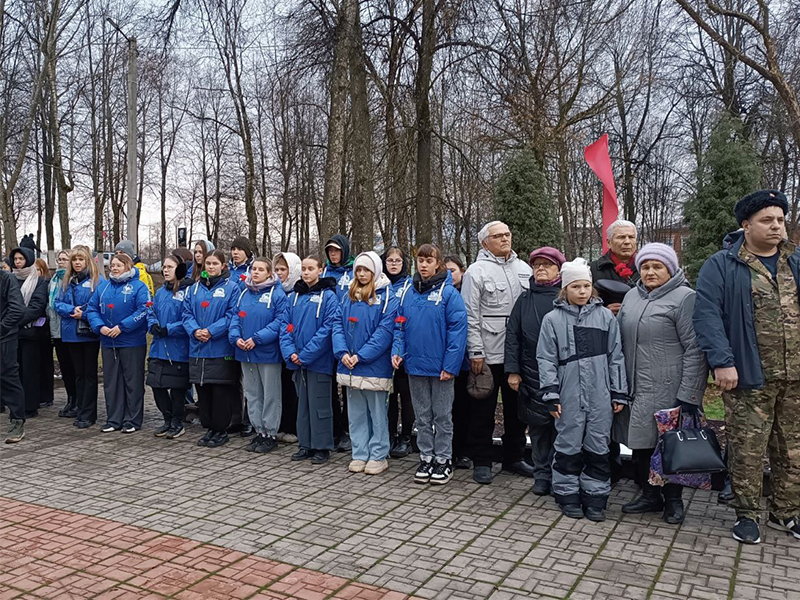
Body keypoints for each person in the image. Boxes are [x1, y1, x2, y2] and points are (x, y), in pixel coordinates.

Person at [694, 189, 800, 545]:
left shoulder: (795, 261)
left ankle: (785, 512)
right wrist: (723, 362)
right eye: (767, 220)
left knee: (792, 449)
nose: (776, 227)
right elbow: (707, 316)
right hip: (748, 376)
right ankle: (747, 515)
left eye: (780, 220)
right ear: (746, 225)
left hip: (795, 376)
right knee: (748, 450)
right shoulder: (723, 265)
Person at [615, 243, 707, 525]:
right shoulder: (632, 296)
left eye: (657, 266)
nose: (650, 272)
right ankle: (649, 495)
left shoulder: (685, 298)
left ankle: (674, 501)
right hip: (636, 385)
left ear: (671, 268)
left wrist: (690, 393)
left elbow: (695, 348)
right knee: (642, 442)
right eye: (645, 266)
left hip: (670, 386)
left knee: (669, 444)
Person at [536, 258, 627, 522]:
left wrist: (618, 391)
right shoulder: (552, 320)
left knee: (598, 446)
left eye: (587, 286)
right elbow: (546, 359)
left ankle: (596, 498)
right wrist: (551, 394)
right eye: (576, 286)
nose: (582, 292)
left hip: (600, 395)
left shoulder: (604, 318)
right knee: (568, 446)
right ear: (565, 289)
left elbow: (616, 356)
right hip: (568, 395)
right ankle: (567, 494)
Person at [461, 220, 533, 484]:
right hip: (489, 353)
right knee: (483, 408)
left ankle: (514, 457)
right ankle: (482, 459)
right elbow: (470, 314)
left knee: (516, 409)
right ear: (484, 242)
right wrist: (476, 351)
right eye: (498, 236)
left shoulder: (524, 269)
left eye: (507, 234)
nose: (505, 239)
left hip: (519, 354)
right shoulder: (475, 272)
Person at [392, 244, 467, 485]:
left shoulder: (449, 294)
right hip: (415, 366)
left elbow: (458, 333)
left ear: (438, 264)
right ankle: (426, 457)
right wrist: (398, 350)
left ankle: (443, 460)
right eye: (420, 261)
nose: (423, 265)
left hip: (441, 369)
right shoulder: (409, 293)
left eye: (428, 260)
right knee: (422, 416)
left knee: (442, 416)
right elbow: (399, 325)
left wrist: (450, 366)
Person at [505, 247, 566, 496]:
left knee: (563, 428)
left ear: (559, 269)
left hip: (565, 374)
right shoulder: (525, 299)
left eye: (547, 265)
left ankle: (562, 475)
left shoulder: (566, 296)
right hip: (531, 374)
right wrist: (513, 370)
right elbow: (513, 336)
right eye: (536, 264)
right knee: (539, 430)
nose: (540, 269)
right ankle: (541, 476)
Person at [333, 251, 397, 475]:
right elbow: (337, 325)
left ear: (375, 271)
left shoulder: (388, 296)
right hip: (349, 364)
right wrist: (342, 353)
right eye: (358, 270)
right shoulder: (348, 296)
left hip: (373, 365)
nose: (361, 274)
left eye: (365, 270)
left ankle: (378, 454)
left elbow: (384, 332)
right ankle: (359, 452)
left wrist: (361, 355)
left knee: (377, 412)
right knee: (357, 412)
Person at [280, 256, 340, 465]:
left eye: (311, 269)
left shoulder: (329, 297)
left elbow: (327, 329)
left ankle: (322, 446)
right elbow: (285, 326)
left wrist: (306, 354)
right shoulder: (294, 297)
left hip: (318, 361)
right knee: (302, 404)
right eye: (304, 269)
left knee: (319, 405)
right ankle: (305, 444)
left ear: (320, 270)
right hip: (297, 361)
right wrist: (290, 352)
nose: (306, 273)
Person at [229, 257, 288, 453]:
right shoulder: (244, 293)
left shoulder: (277, 294)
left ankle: (270, 433)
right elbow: (235, 318)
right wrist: (236, 337)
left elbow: (280, 322)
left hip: (267, 353)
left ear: (269, 273)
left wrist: (257, 338)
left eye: (261, 269)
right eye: (254, 269)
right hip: (245, 353)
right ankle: (259, 431)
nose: (256, 272)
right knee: (253, 394)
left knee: (270, 394)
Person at [86, 253, 150, 433]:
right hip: (108, 342)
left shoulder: (139, 287)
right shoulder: (103, 287)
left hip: (131, 342)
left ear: (128, 267)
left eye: (118, 265)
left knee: (132, 381)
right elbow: (91, 309)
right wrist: (100, 327)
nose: (114, 268)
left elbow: (144, 309)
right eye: (112, 265)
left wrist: (123, 327)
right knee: (112, 382)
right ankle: (114, 419)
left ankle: (132, 420)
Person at [183, 249, 240, 447]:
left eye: (215, 263)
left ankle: (221, 430)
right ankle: (209, 429)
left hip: (220, 349)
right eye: (208, 263)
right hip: (198, 349)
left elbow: (232, 315)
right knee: (204, 391)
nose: (211, 267)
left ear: (223, 266)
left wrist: (211, 331)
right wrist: (195, 330)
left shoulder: (232, 288)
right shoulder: (195, 288)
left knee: (220, 392)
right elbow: (186, 313)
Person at [147, 254, 193, 439]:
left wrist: (170, 329)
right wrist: (153, 325)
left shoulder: (187, 292)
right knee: (156, 385)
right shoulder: (160, 292)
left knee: (177, 389)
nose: (165, 270)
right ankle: (167, 418)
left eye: (170, 267)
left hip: (178, 349)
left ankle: (177, 421)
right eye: (164, 267)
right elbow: (151, 311)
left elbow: (188, 319)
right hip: (159, 348)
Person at [55, 247, 101, 428]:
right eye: (75, 260)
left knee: (89, 374)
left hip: (88, 334)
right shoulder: (67, 281)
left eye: (81, 259)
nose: (77, 263)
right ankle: (80, 410)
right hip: (71, 333)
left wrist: (84, 313)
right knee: (78, 374)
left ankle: (89, 414)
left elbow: (98, 303)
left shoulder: (96, 281)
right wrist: (71, 310)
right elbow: (57, 303)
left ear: (87, 260)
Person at [382, 247, 415, 459]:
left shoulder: (410, 285)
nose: (394, 264)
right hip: (383, 347)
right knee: (389, 396)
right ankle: (390, 434)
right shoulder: (380, 284)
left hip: (404, 347)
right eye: (390, 261)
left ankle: (406, 436)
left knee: (406, 395)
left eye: (398, 261)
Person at [323, 234, 355, 452]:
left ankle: (347, 430)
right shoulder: (323, 272)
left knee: (349, 386)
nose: (333, 254)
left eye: (336, 250)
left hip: (348, 335)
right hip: (326, 337)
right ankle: (332, 429)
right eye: (330, 251)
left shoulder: (354, 272)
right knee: (329, 387)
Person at [10, 247, 50, 418]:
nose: (18, 262)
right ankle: (15, 404)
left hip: (30, 333)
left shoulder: (39, 281)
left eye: (21, 258)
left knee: (29, 370)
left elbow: (36, 307)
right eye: (15, 259)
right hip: (11, 334)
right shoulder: (9, 279)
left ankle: (30, 405)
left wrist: (14, 321)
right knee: (13, 371)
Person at [444, 255, 472, 470]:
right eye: (444, 270)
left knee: (463, 408)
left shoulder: (467, 293)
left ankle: (462, 450)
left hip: (463, 360)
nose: (449, 274)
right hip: (441, 360)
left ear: (462, 271)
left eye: (452, 270)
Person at [273, 251, 302, 443]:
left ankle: (293, 426)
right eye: (276, 269)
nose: (279, 273)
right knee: (279, 388)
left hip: (292, 348)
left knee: (293, 388)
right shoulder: (272, 290)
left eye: (283, 269)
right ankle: (281, 424)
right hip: (274, 348)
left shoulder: (298, 292)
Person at [589, 220, 640, 316]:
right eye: (621, 237)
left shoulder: (647, 270)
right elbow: (579, 303)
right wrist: (602, 312)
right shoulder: (591, 269)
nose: (627, 242)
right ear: (609, 242)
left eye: (631, 237)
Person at [50, 250, 77, 418]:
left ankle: (77, 400)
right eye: (59, 259)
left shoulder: (71, 280)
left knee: (74, 367)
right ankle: (70, 398)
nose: (61, 262)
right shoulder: (53, 280)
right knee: (65, 368)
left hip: (70, 327)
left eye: (64, 259)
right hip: (56, 329)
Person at [1, 267, 26, 443]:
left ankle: (17, 420)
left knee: (8, 377)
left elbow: (17, 309)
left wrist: (1, 328)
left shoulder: (7, 279)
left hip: (4, 338)